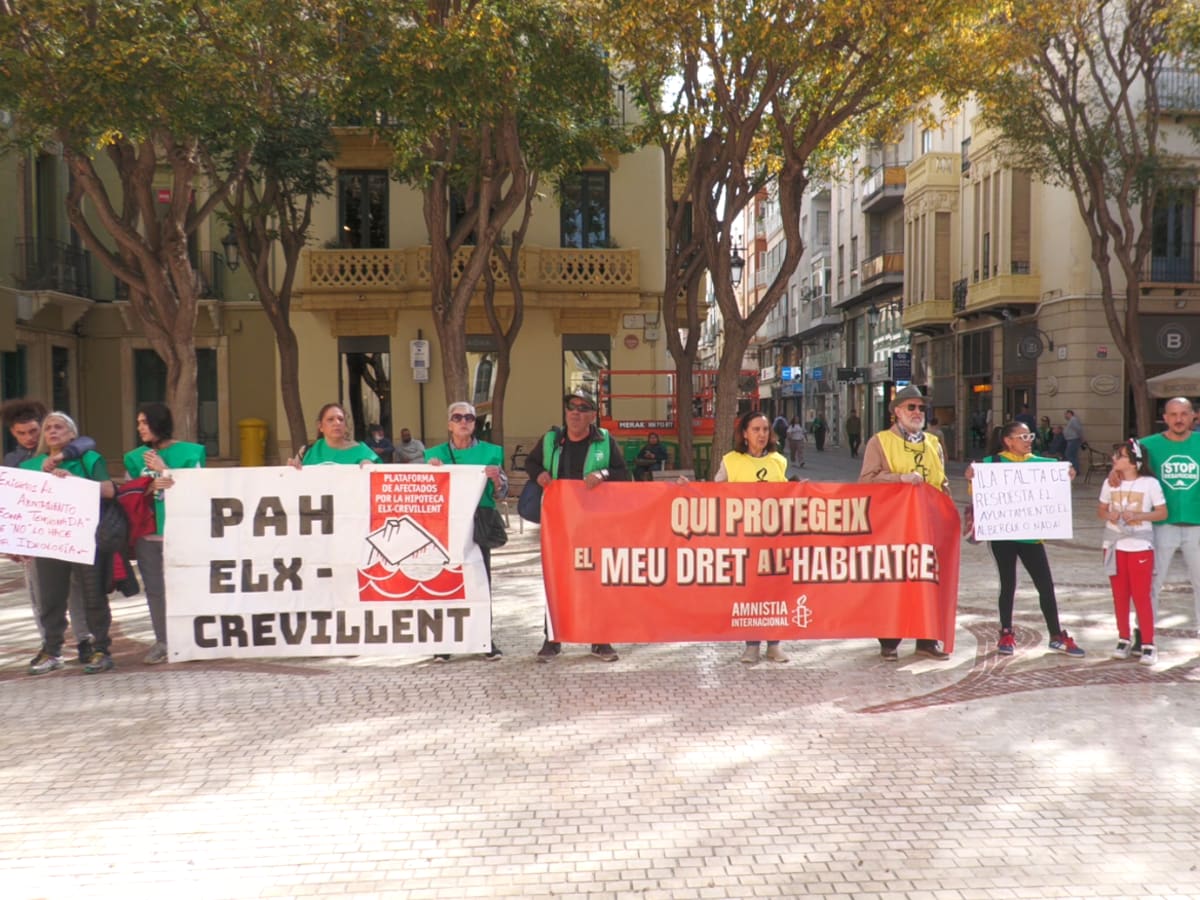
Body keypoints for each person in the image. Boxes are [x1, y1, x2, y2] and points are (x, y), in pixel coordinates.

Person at [525, 388, 630, 662]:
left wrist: (603, 473)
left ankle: (600, 640)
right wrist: (540, 474)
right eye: (571, 406)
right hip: (558, 524)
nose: (575, 412)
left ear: (592, 415)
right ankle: (552, 638)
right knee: (555, 580)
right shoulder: (551, 439)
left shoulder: (605, 440)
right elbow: (531, 462)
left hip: (594, 525)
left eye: (583, 408)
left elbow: (623, 474)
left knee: (595, 581)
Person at [967, 421, 1084, 658]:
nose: (1028, 439)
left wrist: (1068, 473)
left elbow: (1059, 479)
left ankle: (1056, 635)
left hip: (1031, 536)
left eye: (1029, 435)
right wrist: (971, 478)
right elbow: (977, 492)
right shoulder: (991, 464)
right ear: (1008, 441)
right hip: (1003, 535)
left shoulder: (1041, 464)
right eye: (1022, 436)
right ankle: (1006, 632)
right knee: (1008, 583)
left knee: (1045, 586)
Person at [19, 412, 117, 675]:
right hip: (48, 540)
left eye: (59, 427)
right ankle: (52, 650)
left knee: (92, 595)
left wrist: (72, 483)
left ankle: (101, 649)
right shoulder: (31, 466)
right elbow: (20, 504)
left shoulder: (89, 459)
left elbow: (108, 490)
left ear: (72, 434)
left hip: (86, 538)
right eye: (48, 427)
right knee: (50, 598)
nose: (52, 431)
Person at [858, 385, 951, 661]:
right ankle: (889, 640)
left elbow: (941, 481)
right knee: (895, 582)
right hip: (895, 526)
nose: (917, 412)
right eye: (911, 407)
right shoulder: (880, 442)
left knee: (928, 581)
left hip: (929, 524)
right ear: (897, 411)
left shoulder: (933, 443)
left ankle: (927, 639)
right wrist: (899, 478)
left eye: (921, 407)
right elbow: (866, 480)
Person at [3, 398, 97, 659]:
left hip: (69, 533)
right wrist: (12, 542)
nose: (29, 437)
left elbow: (86, 442)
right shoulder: (13, 460)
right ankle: (49, 645)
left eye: (34, 430)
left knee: (76, 588)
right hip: (36, 538)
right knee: (40, 594)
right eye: (21, 433)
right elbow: (10, 502)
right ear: (12, 433)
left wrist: (60, 456)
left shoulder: (70, 448)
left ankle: (84, 640)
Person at [123, 402, 206, 664]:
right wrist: (148, 488)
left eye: (145, 422)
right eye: (138, 423)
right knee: (155, 589)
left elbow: (200, 489)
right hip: (149, 534)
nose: (140, 428)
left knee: (187, 585)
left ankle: (194, 637)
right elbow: (128, 495)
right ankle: (163, 640)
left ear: (159, 422)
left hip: (181, 531)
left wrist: (164, 469)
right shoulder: (134, 457)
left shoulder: (191, 452)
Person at [424, 401, 507, 661]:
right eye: (457, 417)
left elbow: (502, 492)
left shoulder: (492, 452)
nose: (463, 422)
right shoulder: (432, 456)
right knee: (445, 581)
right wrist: (430, 474)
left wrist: (496, 478)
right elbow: (424, 492)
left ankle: (483, 639)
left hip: (478, 522)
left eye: (469, 417)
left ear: (474, 423)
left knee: (480, 581)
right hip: (445, 526)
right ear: (449, 424)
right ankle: (444, 641)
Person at [714, 410, 792, 665]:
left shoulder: (779, 461)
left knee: (774, 593)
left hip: (773, 541)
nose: (761, 434)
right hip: (744, 542)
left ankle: (774, 645)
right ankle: (751, 646)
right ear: (745, 433)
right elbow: (713, 494)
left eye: (765, 430)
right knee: (750, 594)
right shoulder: (730, 461)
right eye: (756, 429)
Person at [1129, 397, 1200, 648]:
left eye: (1184, 413)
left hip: (1197, 525)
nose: (1178, 419)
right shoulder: (1146, 446)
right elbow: (1124, 470)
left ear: (1194, 416)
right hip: (1161, 526)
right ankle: (1143, 634)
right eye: (1173, 414)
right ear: (1165, 417)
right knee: (1150, 583)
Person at [1099, 439, 1167, 665]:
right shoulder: (1110, 483)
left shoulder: (1149, 484)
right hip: (1114, 546)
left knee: (1141, 596)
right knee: (1119, 596)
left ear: (1134, 461)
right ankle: (1123, 638)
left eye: (1120, 456)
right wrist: (1110, 515)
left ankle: (1148, 643)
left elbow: (1161, 513)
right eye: (1115, 455)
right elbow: (1101, 509)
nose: (1114, 459)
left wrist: (1139, 516)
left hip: (1140, 546)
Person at [289, 403, 381, 466]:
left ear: (345, 426)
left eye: (341, 419)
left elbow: (380, 480)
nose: (337, 423)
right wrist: (291, 468)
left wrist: (370, 467)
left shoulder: (362, 451)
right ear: (320, 426)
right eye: (330, 419)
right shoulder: (306, 452)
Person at [1063, 409, 1084, 475]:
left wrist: (1081, 437)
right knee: (1073, 456)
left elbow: (1078, 429)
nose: (1065, 416)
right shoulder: (1071, 421)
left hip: (1073, 440)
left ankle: (1075, 470)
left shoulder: (1073, 420)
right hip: (1071, 440)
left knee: (1069, 455)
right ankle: (1076, 470)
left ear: (1070, 414)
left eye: (1066, 414)